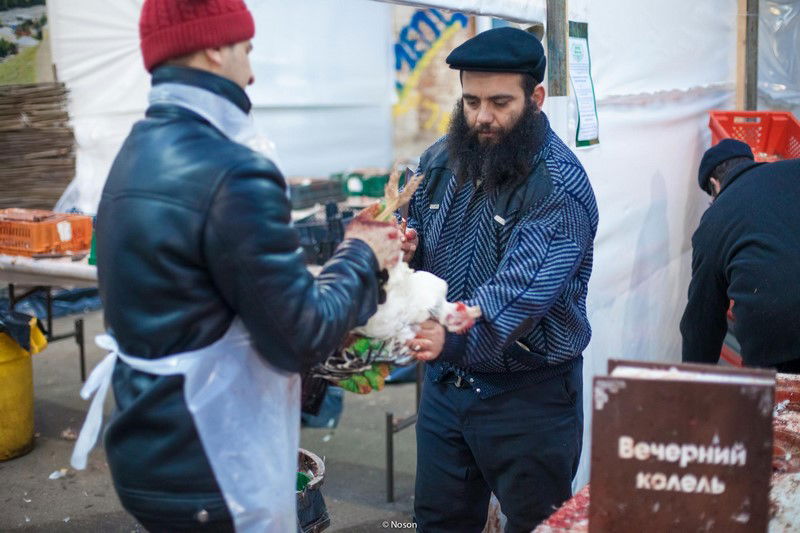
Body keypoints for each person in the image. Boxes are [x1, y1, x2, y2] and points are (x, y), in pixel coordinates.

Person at [69, 1, 402, 531]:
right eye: (246, 49)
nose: (251, 71)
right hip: (214, 463)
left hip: (148, 448)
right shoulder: (233, 170)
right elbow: (300, 337)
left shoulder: (133, 152)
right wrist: (363, 253)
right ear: (213, 47)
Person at [402, 27, 599, 532]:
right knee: (438, 521)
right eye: (470, 101)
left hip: (528, 401)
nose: (482, 117)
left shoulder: (558, 183)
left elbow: (520, 292)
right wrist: (401, 244)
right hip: (447, 390)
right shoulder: (442, 160)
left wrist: (448, 334)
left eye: (499, 102)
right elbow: (417, 230)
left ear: (535, 98)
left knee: (536, 525)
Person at [681, 139, 800, 373]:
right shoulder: (792, 170)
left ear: (714, 185)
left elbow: (703, 321)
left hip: (777, 344)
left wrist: (693, 385)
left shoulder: (714, 220)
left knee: (786, 405)